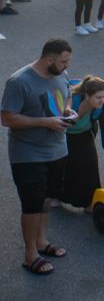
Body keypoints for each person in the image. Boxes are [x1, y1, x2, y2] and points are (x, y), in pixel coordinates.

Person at [2, 39, 74, 275]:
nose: (67, 66)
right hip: (28, 155)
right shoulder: (19, 82)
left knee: (47, 199)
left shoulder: (61, 74)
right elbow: (7, 118)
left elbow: (67, 95)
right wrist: (45, 122)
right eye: (64, 61)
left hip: (58, 150)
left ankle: (42, 242)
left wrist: (67, 111)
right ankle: (30, 254)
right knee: (32, 205)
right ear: (49, 59)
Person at [59, 75, 104, 213]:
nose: (102, 100)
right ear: (87, 96)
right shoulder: (71, 101)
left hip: (84, 133)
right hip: (63, 135)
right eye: (98, 97)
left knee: (90, 164)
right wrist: (80, 113)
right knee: (66, 165)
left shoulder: (101, 106)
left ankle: (90, 202)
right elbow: (62, 125)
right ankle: (57, 196)